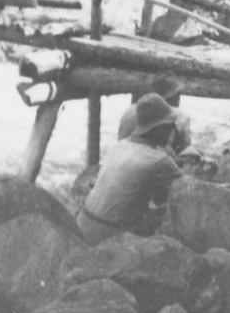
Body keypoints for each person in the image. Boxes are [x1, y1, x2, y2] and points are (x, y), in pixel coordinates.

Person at [77, 93, 184, 246]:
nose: (172, 130)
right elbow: (187, 193)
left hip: (83, 224)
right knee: (171, 215)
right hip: (110, 235)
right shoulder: (159, 160)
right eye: (169, 126)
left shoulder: (119, 146)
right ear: (158, 128)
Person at [117, 73, 193, 157]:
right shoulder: (180, 116)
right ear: (176, 97)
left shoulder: (130, 110)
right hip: (150, 163)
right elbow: (186, 151)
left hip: (121, 158)